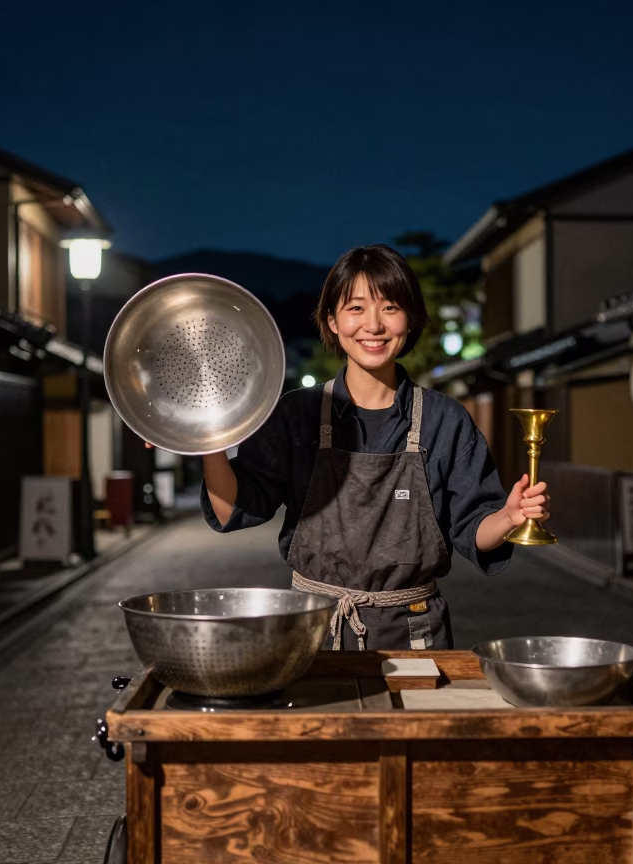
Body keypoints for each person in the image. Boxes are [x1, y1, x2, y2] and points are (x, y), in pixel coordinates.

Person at [201, 244, 550, 650]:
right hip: (312, 631)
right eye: (355, 309)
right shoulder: (297, 413)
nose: (373, 325)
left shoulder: (445, 420)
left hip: (415, 635)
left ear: (410, 318)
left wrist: (509, 516)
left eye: (389, 307)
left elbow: (474, 530)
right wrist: (205, 442)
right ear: (331, 321)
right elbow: (234, 508)